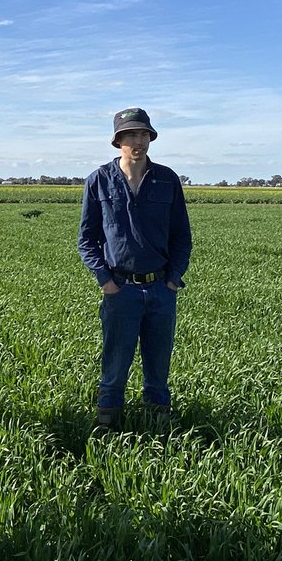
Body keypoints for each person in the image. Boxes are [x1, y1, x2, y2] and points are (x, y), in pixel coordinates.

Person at [78, 107, 192, 430]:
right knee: (114, 370)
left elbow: (182, 236)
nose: (138, 141)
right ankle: (107, 433)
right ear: (118, 141)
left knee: (158, 372)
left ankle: (159, 433)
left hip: (160, 291)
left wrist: (172, 280)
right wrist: (105, 282)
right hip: (120, 291)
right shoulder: (99, 181)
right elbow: (86, 240)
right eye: (130, 135)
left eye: (143, 134)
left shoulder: (167, 180)